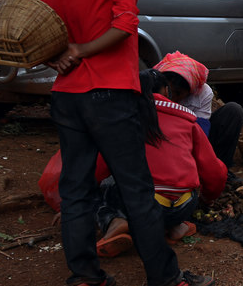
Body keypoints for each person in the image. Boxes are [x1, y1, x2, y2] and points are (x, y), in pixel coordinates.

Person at [33, 0, 214, 286]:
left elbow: (34, 36)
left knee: (76, 188)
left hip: (67, 97)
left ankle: (85, 278)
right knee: (136, 187)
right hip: (112, 97)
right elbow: (123, 27)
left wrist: (58, 57)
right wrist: (80, 50)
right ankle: (164, 277)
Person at [95, 69, 228, 257]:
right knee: (169, 191)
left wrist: (73, 201)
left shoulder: (125, 120)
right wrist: (206, 198)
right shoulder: (188, 120)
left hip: (144, 205)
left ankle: (115, 222)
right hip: (184, 205)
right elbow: (214, 171)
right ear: (166, 91)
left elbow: (99, 168)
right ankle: (175, 226)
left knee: (107, 182)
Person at [155, 51, 243, 171]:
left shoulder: (203, 92)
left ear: (190, 90)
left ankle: (220, 170)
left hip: (189, 141)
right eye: (169, 91)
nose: (172, 98)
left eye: (178, 93)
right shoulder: (153, 86)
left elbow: (201, 133)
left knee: (233, 111)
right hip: (159, 142)